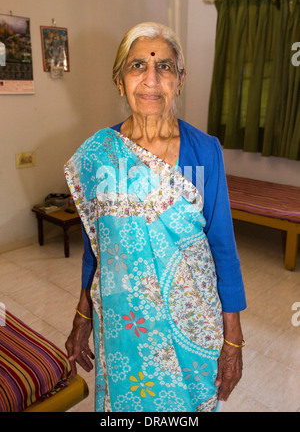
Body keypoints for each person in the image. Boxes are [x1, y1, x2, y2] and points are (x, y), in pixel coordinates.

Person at [64, 22, 246, 413]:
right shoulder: (99, 155)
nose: (151, 79)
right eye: (137, 67)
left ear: (180, 80)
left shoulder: (205, 151)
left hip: (192, 328)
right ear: (119, 80)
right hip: (123, 326)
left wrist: (233, 339)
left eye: (164, 67)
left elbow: (223, 247)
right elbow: (95, 250)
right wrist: (82, 317)